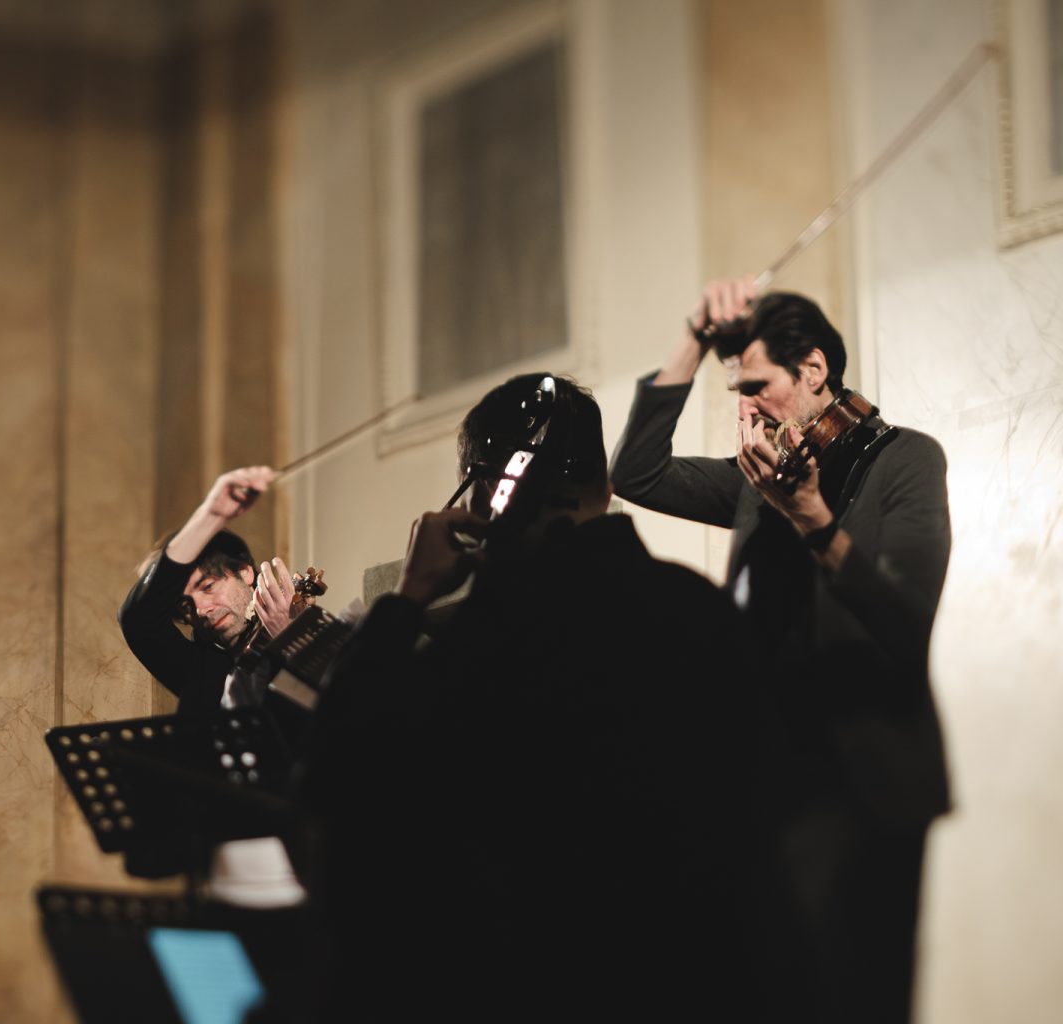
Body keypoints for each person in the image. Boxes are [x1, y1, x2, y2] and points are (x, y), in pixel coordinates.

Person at [304, 374, 756, 1021]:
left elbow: (332, 781)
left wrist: (407, 598)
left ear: (482, 501)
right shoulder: (700, 609)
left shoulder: (472, 653)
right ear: (605, 487)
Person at [609, 277, 952, 1023]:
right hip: (764, 775)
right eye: (737, 391)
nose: (745, 408)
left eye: (757, 386)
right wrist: (695, 339)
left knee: (853, 999)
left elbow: (907, 618)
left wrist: (817, 523)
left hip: (861, 777)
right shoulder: (755, 484)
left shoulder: (907, 460)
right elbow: (635, 472)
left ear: (814, 369)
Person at [118, 465, 304, 720]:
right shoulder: (197, 668)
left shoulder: (301, 631)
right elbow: (138, 620)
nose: (201, 610)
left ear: (245, 573)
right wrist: (212, 515)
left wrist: (290, 641)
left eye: (208, 587)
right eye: (186, 606)